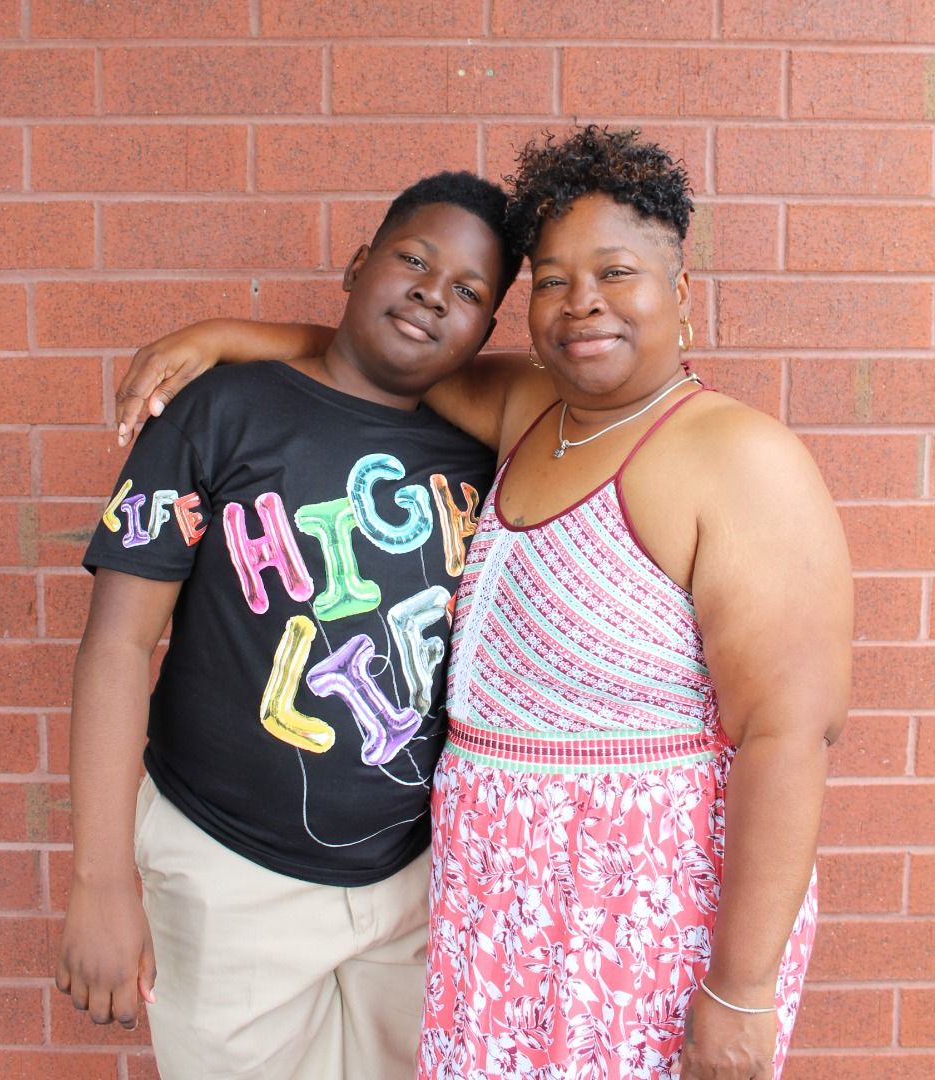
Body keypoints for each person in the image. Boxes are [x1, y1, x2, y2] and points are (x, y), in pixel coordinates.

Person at [113, 127, 851, 1080]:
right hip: (481, 911)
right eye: (552, 279)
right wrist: (227, 338)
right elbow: (386, 355)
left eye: (616, 272)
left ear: (680, 296)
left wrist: (740, 989)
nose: (582, 301)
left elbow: (792, 735)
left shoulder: (741, 459)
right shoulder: (534, 416)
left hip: (636, 927)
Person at [57, 172, 520, 1079]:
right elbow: (115, 645)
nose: (434, 293)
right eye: (413, 260)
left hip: (421, 877)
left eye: (469, 291)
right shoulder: (221, 411)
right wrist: (100, 880)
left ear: (487, 330)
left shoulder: (486, 447)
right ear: (357, 265)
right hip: (228, 872)